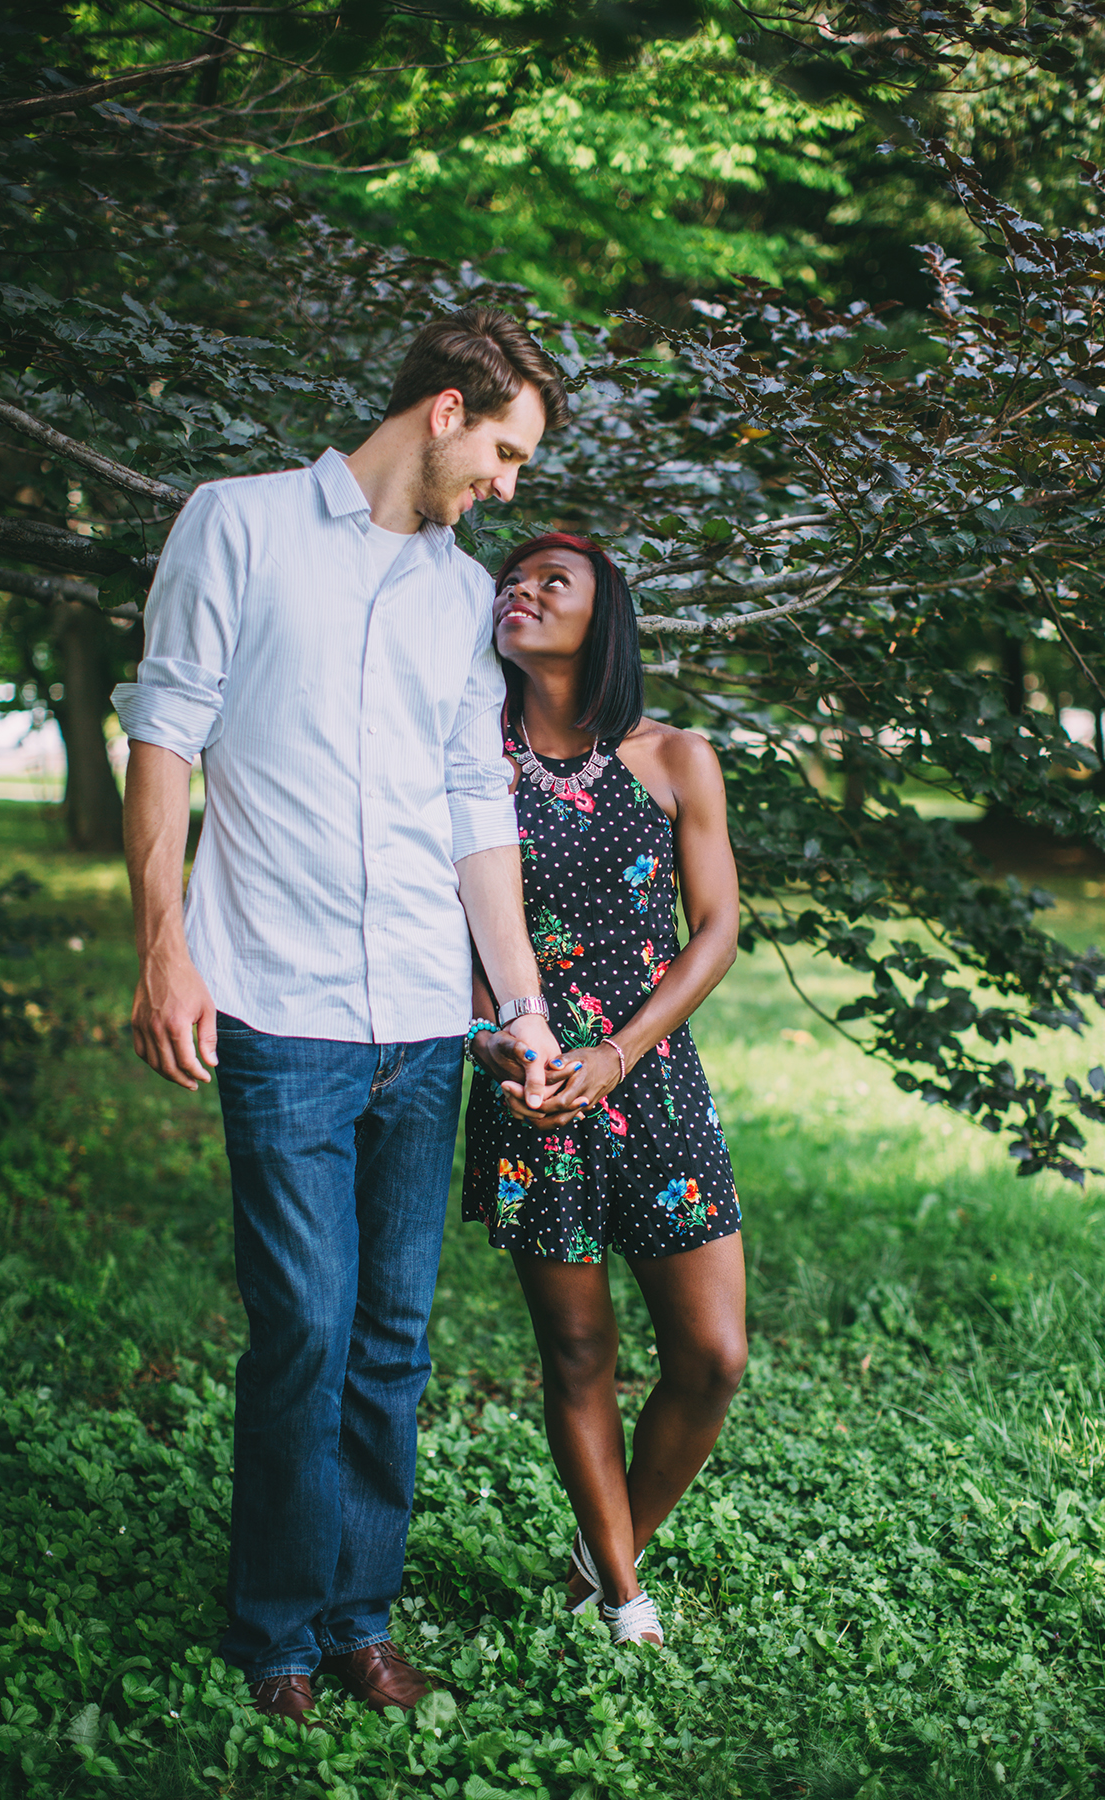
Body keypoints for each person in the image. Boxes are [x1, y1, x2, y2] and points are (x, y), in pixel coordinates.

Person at [111, 309, 576, 1727]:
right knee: (303, 1327)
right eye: (503, 452)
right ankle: (275, 1634)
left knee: (391, 1336)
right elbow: (167, 731)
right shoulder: (238, 525)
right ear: (445, 410)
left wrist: (521, 1000)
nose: (508, 485)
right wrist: (164, 953)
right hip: (280, 1006)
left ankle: (359, 1616)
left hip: (424, 1025)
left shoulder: (454, 600)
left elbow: (470, 804)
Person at [462, 533, 747, 1648]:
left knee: (713, 1356)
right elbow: (466, 947)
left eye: (552, 582)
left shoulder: (678, 756)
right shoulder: (469, 762)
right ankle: (623, 1595)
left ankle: (598, 1545)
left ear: (605, 613)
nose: (520, 594)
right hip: (531, 1089)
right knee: (579, 1354)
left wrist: (621, 1055)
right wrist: (504, 1053)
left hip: (657, 1080)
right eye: (511, 581)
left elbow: (716, 931)